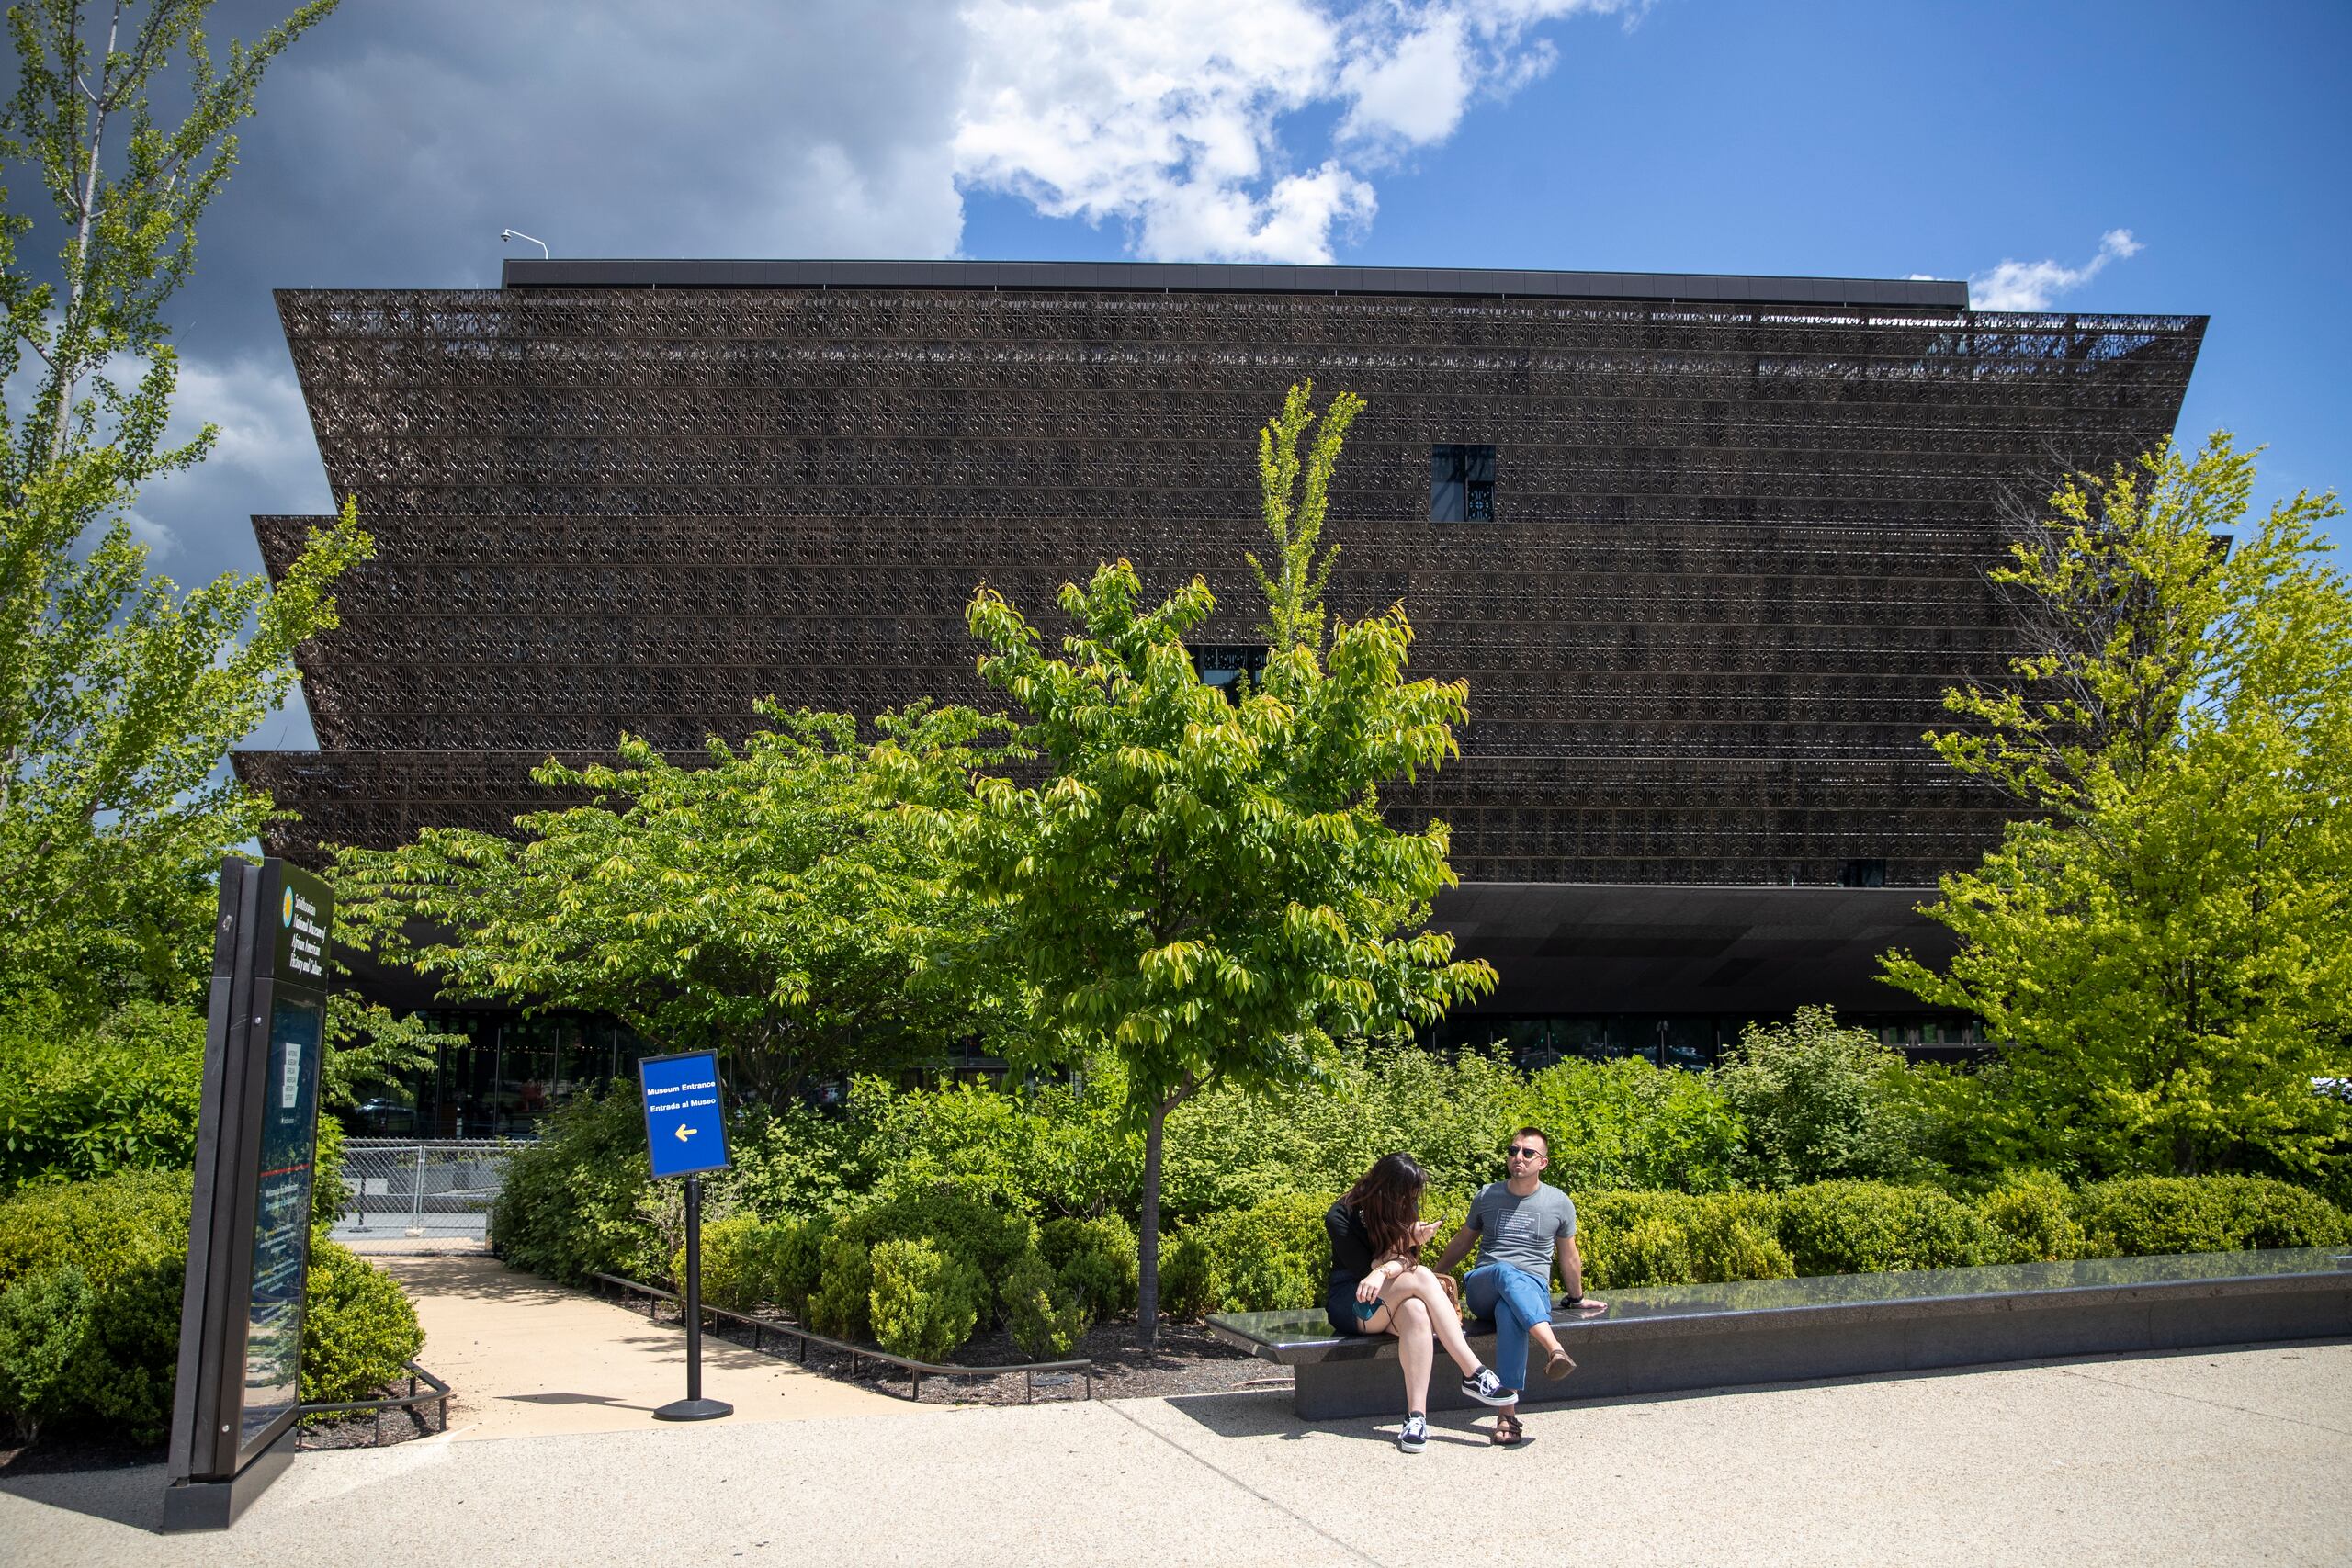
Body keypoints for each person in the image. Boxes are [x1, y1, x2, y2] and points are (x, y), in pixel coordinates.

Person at [1326, 1153, 1515, 1452]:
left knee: (1416, 1311)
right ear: (1383, 1188)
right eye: (1404, 1196)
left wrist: (1401, 1252)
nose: (1409, 1203)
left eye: (1412, 1197)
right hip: (1354, 1303)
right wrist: (1399, 1253)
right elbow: (1367, 1274)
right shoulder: (1341, 1215)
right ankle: (1473, 1372)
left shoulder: (1403, 1206)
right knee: (1423, 1276)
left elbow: (1400, 1266)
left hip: (1390, 1299)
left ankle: (1416, 1419)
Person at [1433, 1126, 1607, 1447]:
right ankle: (1554, 1348)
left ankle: (1507, 1416)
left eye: (1528, 1153)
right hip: (1485, 1283)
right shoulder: (1488, 1195)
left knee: (1511, 1313)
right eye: (1513, 1151)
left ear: (1543, 1163)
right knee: (1504, 1272)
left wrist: (1577, 1298)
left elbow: (1568, 1255)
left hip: (1531, 1291)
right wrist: (1433, 1278)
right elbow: (1462, 1242)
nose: (1518, 1158)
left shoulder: (1559, 1202)